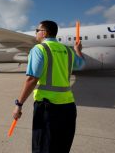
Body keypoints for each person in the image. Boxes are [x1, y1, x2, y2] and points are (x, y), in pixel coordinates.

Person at [12, 20, 84, 153]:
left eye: (37, 30)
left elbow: (32, 79)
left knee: (43, 147)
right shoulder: (67, 50)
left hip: (48, 109)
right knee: (62, 147)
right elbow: (81, 64)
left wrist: (19, 104)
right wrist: (77, 50)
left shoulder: (39, 49)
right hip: (69, 107)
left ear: (44, 33)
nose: (36, 33)